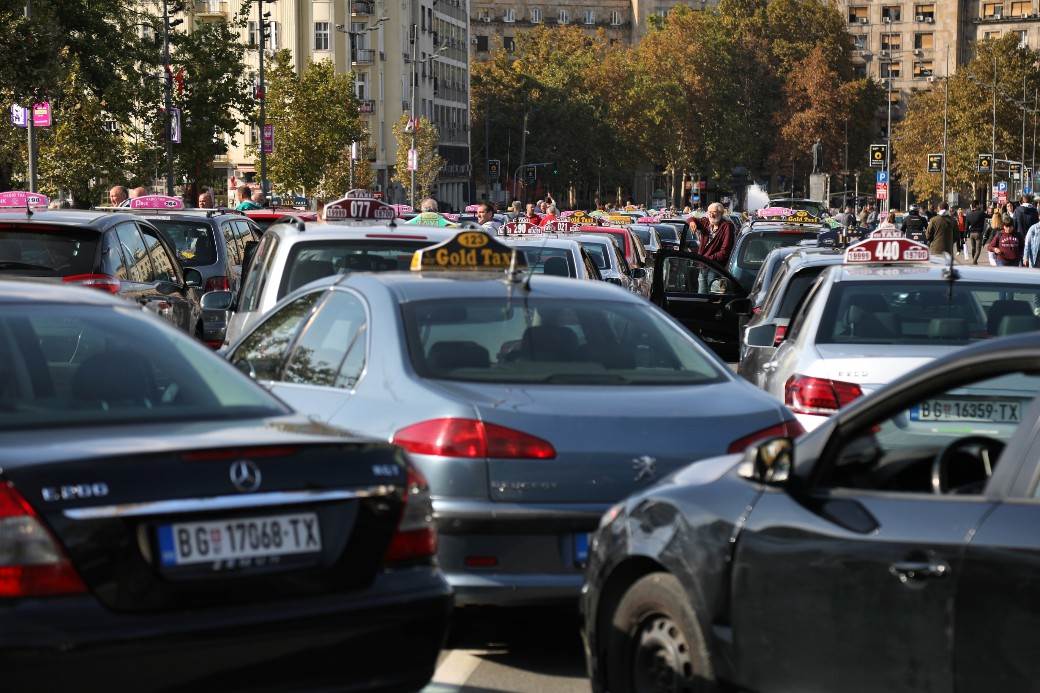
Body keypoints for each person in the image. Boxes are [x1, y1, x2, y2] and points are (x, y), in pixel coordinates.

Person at [691, 202, 736, 292]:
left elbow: (724, 252)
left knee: (712, 296)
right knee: (701, 295)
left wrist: (706, 259)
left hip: (716, 267)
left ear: (721, 213)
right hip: (703, 266)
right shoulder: (706, 222)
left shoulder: (727, 226)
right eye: (709, 212)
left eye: (714, 212)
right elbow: (691, 218)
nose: (711, 214)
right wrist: (692, 222)